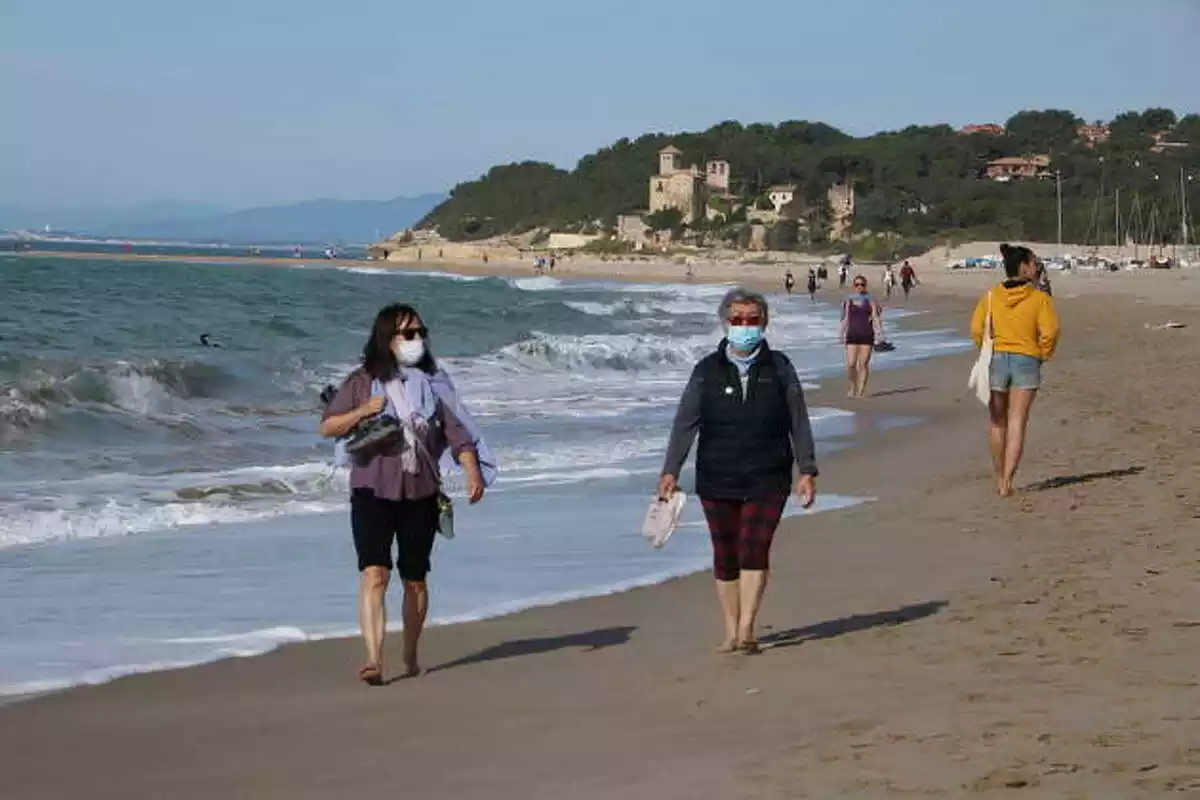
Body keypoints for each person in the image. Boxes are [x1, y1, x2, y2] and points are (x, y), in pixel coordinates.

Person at [320, 304, 490, 684]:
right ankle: (374, 660)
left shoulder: (432, 383)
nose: (418, 340)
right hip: (371, 489)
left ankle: (410, 655)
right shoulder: (361, 382)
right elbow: (328, 426)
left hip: (420, 493)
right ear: (388, 339)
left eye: (420, 332)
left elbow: (458, 433)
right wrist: (363, 411)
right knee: (375, 573)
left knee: (415, 578)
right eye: (408, 334)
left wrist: (471, 469)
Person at [658, 289, 818, 655]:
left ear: (764, 323)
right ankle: (730, 630)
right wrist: (671, 469)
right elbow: (686, 422)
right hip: (717, 475)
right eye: (737, 320)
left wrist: (807, 468)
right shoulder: (706, 370)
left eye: (752, 319)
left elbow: (799, 420)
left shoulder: (780, 367)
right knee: (725, 552)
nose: (744, 326)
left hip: (769, 474)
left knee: (754, 547)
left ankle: (748, 629)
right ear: (725, 323)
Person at [971, 244, 1060, 498]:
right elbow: (1050, 332)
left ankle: (999, 476)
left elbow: (977, 329)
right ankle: (1006, 481)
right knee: (1017, 421)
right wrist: (1043, 353)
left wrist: (986, 348)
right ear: (1023, 267)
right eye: (1034, 264)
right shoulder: (1039, 298)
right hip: (1027, 358)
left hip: (996, 358)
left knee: (997, 422)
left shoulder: (990, 296)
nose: (1037, 268)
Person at [840, 275, 883, 397]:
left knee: (863, 364)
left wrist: (880, 332)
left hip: (867, 334)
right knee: (851, 364)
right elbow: (846, 318)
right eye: (857, 284)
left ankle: (860, 391)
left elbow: (875, 316)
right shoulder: (849, 300)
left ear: (865, 285)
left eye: (862, 284)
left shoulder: (870, 299)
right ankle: (852, 386)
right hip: (852, 334)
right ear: (854, 286)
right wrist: (841, 332)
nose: (860, 287)